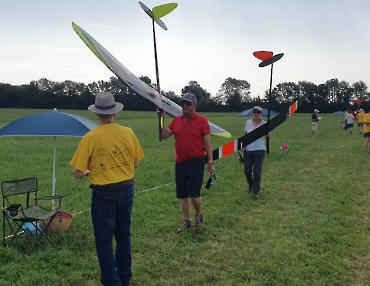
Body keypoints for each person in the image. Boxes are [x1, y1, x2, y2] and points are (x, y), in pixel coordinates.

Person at [70, 92, 144, 286]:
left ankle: (112, 282)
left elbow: (77, 173)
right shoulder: (128, 132)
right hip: (127, 189)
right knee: (123, 235)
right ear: (114, 113)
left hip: (103, 194)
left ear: (97, 114)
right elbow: (135, 164)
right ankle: (125, 277)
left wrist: (87, 172)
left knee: (104, 240)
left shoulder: (90, 137)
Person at [161, 93, 214, 234]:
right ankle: (186, 220)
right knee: (183, 194)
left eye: (188, 103)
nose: (185, 105)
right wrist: (161, 119)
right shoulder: (177, 120)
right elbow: (164, 135)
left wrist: (210, 161)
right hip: (180, 162)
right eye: (183, 103)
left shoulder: (202, 121)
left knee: (194, 193)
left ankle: (199, 216)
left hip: (196, 161)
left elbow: (207, 143)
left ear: (194, 106)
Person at [243, 106, 270, 199]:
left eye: (258, 112)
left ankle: (255, 191)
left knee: (257, 172)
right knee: (247, 171)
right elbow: (245, 135)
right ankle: (251, 184)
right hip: (248, 150)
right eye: (254, 112)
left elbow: (267, 135)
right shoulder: (248, 123)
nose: (256, 113)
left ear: (261, 114)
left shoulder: (265, 124)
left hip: (260, 150)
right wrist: (241, 147)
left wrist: (268, 135)